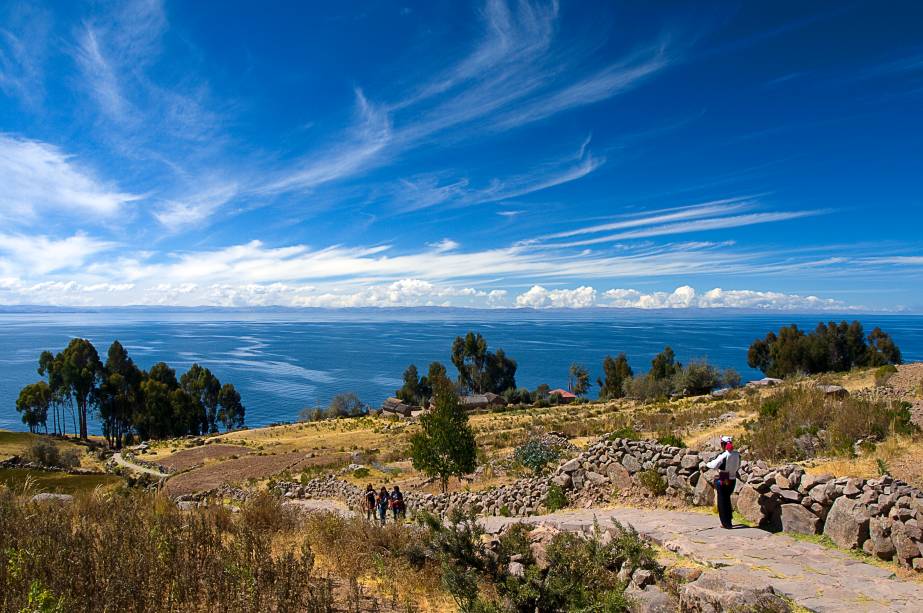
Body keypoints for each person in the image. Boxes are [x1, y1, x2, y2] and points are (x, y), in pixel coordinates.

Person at [707, 435, 741, 529]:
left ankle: (725, 523)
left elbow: (713, 465)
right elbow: (738, 466)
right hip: (733, 478)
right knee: (727, 499)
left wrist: (708, 463)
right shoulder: (737, 454)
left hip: (724, 477)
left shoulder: (724, 455)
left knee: (722, 500)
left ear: (723, 444)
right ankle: (729, 519)